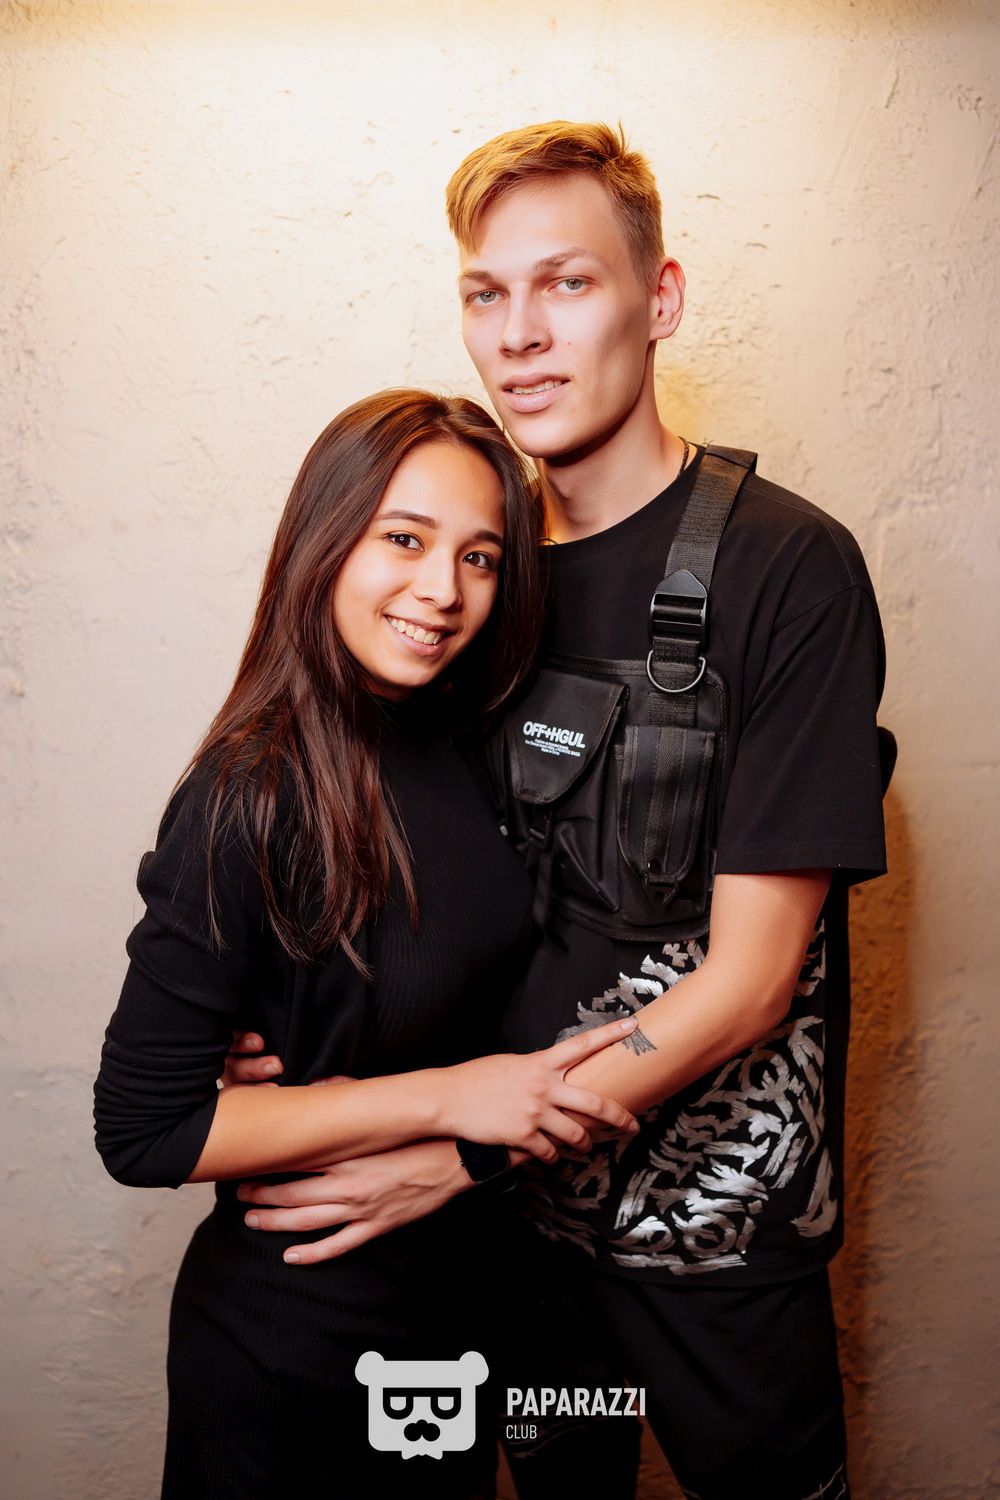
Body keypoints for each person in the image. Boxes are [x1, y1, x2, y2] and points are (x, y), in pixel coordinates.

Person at [228, 125, 888, 1500]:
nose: (518, 335)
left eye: (567, 284)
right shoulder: (466, 572)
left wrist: (459, 1154)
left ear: (661, 299)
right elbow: (377, 845)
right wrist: (277, 1020)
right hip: (505, 1248)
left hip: (706, 1248)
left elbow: (751, 983)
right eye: (486, 293)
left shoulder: (789, 568)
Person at [93, 387, 643, 1500]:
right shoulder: (251, 790)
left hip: (458, 1316)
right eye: (404, 539)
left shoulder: (460, 740)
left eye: (480, 558)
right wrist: (447, 1098)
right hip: (301, 1339)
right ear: (325, 539)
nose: (442, 591)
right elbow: (142, 1130)